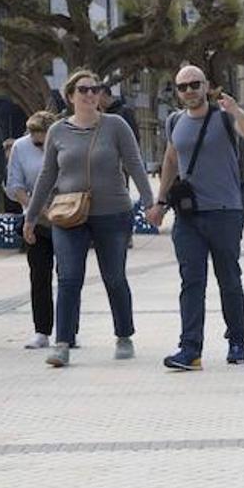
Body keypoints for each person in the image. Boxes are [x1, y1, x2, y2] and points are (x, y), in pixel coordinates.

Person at [23, 70, 157, 367]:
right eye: (83, 90)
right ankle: (62, 343)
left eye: (95, 89)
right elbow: (47, 175)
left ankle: (124, 336)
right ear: (70, 96)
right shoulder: (57, 131)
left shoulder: (116, 126)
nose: (90, 95)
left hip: (113, 213)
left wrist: (150, 203)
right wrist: (31, 216)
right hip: (68, 216)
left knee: (114, 277)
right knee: (69, 278)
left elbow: (135, 164)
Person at [146, 65, 244, 370]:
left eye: (195, 84)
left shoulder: (223, 116)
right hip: (188, 216)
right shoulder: (174, 122)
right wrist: (159, 202)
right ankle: (190, 349)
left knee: (229, 280)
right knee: (191, 282)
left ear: (206, 85)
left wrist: (236, 110)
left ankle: (237, 341)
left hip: (225, 212)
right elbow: (171, 160)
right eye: (182, 87)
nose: (189, 91)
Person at [4, 111, 58, 348]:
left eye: (43, 141)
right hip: (34, 221)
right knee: (39, 276)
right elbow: (15, 184)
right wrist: (35, 209)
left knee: (68, 277)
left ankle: (69, 330)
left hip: (65, 215)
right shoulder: (20, 147)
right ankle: (42, 330)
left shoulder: (61, 142)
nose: (40, 145)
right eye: (36, 141)